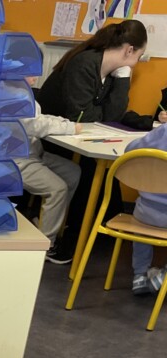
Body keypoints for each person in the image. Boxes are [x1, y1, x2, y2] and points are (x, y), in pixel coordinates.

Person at [38, 20, 151, 237]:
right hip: (52, 137)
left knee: (104, 168)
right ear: (129, 50)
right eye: (139, 56)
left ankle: (100, 230)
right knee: (94, 168)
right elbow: (84, 117)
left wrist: (122, 79)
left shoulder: (111, 72)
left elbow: (111, 115)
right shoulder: (84, 63)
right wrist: (107, 107)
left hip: (76, 136)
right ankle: (81, 233)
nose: (136, 63)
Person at [17, 78, 83, 264]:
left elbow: (41, 118)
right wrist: (70, 127)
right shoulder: (8, 94)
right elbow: (34, 125)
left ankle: (46, 223)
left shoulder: (23, 91)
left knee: (72, 172)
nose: (35, 78)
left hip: (33, 153)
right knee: (57, 189)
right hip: (12, 159)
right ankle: (46, 245)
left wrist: (64, 122)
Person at [123, 122, 167, 295]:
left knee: (141, 226)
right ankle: (163, 276)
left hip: (145, 212)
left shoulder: (163, 131)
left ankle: (139, 275)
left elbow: (131, 151)